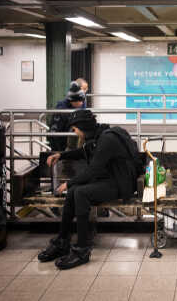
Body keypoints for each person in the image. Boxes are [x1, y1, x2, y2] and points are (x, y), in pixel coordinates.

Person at [38, 110, 143, 269]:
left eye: (75, 129)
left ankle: (82, 250)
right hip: (110, 179)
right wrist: (61, 155)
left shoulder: (107, 139)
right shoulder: (97, 136)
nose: (74, 132)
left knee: (80, 192)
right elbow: (84, 152)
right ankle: (62, 241)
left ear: (82, 127)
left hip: (121, 183)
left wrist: (69, 183)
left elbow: (93, 170)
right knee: (74, 192)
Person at [48, 82, 86, 151]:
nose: (82, 103)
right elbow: (54, 133)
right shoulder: (61, 111)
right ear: (73, 100)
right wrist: (59, 151)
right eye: (80, 101)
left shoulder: (78, 106)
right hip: (61, 145)